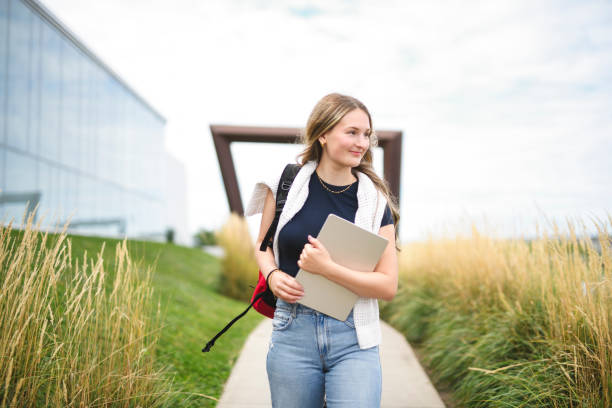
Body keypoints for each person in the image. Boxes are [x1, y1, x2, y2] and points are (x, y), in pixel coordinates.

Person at [245, 93, 399, 407]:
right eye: (352, 132)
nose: (362, 142)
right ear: (323, 134)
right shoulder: (285, 183)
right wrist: (273, 277)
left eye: (366, 134)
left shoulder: (375, 202)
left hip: (353, 338)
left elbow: (387, 286)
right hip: (292, 332)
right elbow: (262, 248)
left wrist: (327, 268)